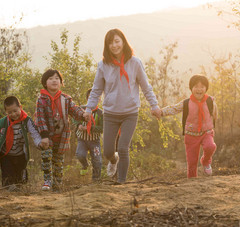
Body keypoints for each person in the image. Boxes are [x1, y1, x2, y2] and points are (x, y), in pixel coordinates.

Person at [83, 28, 161, 184]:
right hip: (110, 113)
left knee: (124, 148)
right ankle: (114, 160)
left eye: (117, 41)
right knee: (108, 151)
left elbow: (146, 87)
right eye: (110, 42)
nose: (114, 45)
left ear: (123, 42)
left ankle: (121, 182)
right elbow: (96, 89)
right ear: (107, 46)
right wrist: (88, 109)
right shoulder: (103, 65)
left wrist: (154, 105)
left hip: (130, 113)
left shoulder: (135, 63)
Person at [0, 96, 45, 188]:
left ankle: (20, 190)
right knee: (8, 182)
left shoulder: (26, 121)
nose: (13, 114)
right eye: (10, 112)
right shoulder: (3, 123)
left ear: (20, 107)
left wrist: (39, 143)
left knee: (20, 182)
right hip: (6, 155)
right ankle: (8, 194)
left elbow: (34, 133)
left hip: (20, 155)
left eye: (15, 111)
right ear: (6, 112)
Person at [34, 69, 85, 192]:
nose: (54, 80)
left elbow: (74, 110)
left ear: (61, 82)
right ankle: (47, 181)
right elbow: (40, 118)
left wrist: (83, 115)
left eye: (57, 78)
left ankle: (57, 185)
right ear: (45, 83)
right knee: (47, 157)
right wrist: (44, 135)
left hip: (62, 136)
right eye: (51, 78)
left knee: (58, 162)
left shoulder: (66, 99)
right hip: (46, 137)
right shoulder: (41, 100)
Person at [160, 74, 218, 178]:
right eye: (196, 86)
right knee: (192, 162)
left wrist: (213, 120)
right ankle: (192, 182)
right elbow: (174, 108)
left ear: (206, 88)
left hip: (206, 132)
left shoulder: (210, 101)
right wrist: (161, 112)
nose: (199, 89)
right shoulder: (186, 103)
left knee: (211, 146)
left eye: (202, 87)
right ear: (191, 88)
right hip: (191, 135)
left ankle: (205, 161)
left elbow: (215, 114)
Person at [73, 88, 103, 181]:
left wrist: (91, 128)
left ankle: (96, 180)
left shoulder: (100, 113)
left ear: (99, 99)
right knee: (80, 155)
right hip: (82, 139)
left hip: (94, 141)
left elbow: (102, 128)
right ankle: (85, 165)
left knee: (97, 160)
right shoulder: (81, 109)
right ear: (87, 99)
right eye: (91, 98)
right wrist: (79, 125)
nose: (93, 100)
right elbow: (75, 118)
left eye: (96, 98)